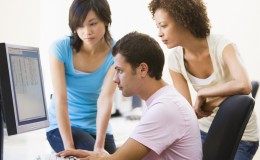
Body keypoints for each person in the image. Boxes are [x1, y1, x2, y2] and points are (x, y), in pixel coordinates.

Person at [57, 32, 202, 160]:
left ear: (142, 69)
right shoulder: (162, 100)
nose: (115, 79)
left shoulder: (165, 108)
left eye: (120, 70)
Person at [148, 0, 259, 159]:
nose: (159, 33)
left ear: (183, 20)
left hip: (243, 136)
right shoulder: (175, 60)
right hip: (204, 131)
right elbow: (186, 112)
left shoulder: (223, 45)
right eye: (157, 27)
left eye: (163, 26)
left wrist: (204, 93)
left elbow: (244, 84)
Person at [46, 0, 117, 154]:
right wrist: (70, 149)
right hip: (63, 127)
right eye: (80, 25)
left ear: (105, 20)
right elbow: (61, 100)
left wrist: (99, 146)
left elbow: (105, 99)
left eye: (92, 24)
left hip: (96, 128)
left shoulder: (116, 52)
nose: (86, 31)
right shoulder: (60, 48)